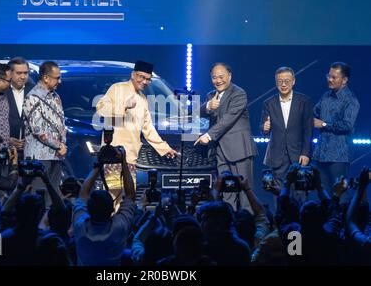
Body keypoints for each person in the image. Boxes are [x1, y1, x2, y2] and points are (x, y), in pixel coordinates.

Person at [96, 60, 177, 201]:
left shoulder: (143, 98)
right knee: (113, 195)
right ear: (133, 75)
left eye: (148, 79)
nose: (144, 82)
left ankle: (124, 223)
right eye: (141, 77)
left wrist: (165, 148)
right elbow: (101, 109)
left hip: (131, 157)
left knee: (128, 197)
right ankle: (111, 222)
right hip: (113, 155)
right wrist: (124, 106)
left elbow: (148, 128)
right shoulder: (117, 88)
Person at [195, 63, 257, 212]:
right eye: (214, 77)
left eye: (221, 77)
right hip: (220, 151)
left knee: (244, 193)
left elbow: (228, 119)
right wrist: (209, 106)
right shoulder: (211, 95)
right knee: (227, 192)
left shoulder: (239, 93)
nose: (218, 80)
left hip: (239, 150)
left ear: (230, 76)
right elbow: (198, 112)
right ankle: (228, 226)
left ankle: (247, 227)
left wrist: (208, 136)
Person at [72, 147, 136, 266]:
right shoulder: (119, 227)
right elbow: (130, 196)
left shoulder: (80, 225)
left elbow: (83, 194)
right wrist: (124, 163)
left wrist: (98, 165)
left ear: (89, 209)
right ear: (112, 209)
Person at [23, 61, 67, 205]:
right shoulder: (33, 97)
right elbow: (38, 130)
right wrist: (58, 145)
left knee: (53, 195)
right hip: (39, 157)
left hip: (56, 155)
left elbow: (61, 124)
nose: (59, 81)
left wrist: (63, 145)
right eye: (57, 78)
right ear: (46, 78)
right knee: (38, 197)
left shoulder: (56, 97)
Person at [312, 62, 360, 193]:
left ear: (344, 80)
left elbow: (347, 125)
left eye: (334, 77)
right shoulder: (326, 96)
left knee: (339, 194)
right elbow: (313, 112)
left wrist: (323, 124)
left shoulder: (351, 100)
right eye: (329, 76)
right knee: (322, 193)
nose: (330, 79)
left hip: (338, 156)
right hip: (320, 154)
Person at [261, 66, 313, 184]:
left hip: (298, 155)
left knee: (299, 193)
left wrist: (305, 153)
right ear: (276, 83)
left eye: (287, 81)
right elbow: (264, 128)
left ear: (293, 81)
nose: (283, 84)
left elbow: (308, 130)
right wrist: (264, 128)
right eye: (280, 81)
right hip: (277, 156)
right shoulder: (268, 103)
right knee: (278, 194)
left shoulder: (304, 101)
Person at [6, 57, 33, 159]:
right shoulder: (1, 91)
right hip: (6, 150)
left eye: (25, 73)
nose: (23, 76)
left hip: (29, 151)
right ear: (10, 73)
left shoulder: (34, 91)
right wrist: (7, 139)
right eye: (19, 73)